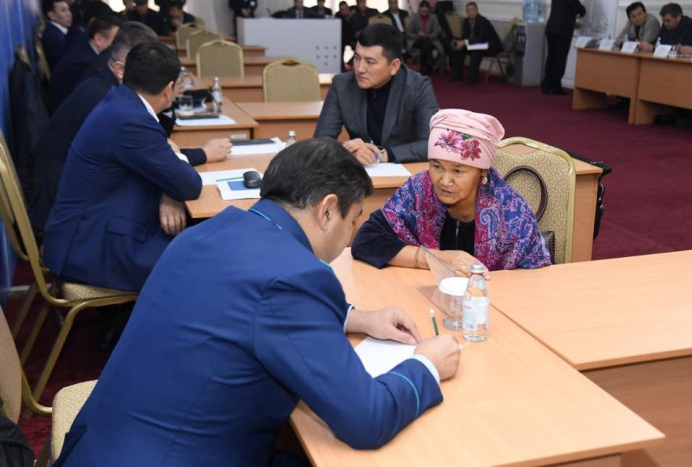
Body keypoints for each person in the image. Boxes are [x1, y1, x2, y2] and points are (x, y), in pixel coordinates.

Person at [53, 138, 461, 466]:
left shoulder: (207, 232)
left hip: (100, 445)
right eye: (354, 220)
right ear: (327, 210)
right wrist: (425, 365)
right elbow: (365, 419)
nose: (351, 235)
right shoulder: (296, 276)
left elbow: (242, 304)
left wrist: (355, 319)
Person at [29, 23, 230, 233]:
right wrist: (175, 169)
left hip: (92, 205)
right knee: (202, 232)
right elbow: (187, 184)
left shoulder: (118, 96)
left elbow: (153, 153)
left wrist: (171, 177)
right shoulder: (128, 116)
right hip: (90, 228)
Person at [43, 42, 202, 292]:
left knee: (195, 239)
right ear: (169, 88)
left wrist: (169, 189)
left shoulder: (119, 100)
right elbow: (189, 185)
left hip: (90, 226)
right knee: (203, 259)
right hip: (90, 246)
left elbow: (166, 174)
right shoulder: (133, 120)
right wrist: (176, 155)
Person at [352, 109, 551, 274]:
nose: (445, 181)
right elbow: (366, 240)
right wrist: (436, 259)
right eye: (437, 167)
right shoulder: (419, 190)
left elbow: (536, 278)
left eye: (458, 171)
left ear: (482, 171)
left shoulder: (511, 213)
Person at [315, 24, 439, 164]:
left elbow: (432, 143)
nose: (360, 69)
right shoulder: (342, 85)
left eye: (370, 62)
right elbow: (321, 140)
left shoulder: (418, 86)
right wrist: (349, 150)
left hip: (405, 169)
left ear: (394, 66)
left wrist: (383, 155)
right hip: (359, 170)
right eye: (357, 58)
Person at [49, 13, 122, 110]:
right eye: (116, 41)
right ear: (98, 39)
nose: (120, 46)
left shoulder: (82, 46)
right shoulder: (85, 64)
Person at [542, 0, 585, 95]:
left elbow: (561, 7)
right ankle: (556, 86)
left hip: (551, 26)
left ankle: (547, 84)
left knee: (551, 57)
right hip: (563, 29)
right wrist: (582, 11)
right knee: (560, 58)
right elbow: (572, 1)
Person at [449, 2, 502, 85]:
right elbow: (465, 36)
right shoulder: (466, 21)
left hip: (490, 46)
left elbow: (480, 39)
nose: (471, 12)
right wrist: (460, 42)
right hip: (475, 44)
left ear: (477, 11)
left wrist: (465, 42)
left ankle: (472, 78)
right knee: (459, 49)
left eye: (473, 10)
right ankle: (457, 75)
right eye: (468, 11)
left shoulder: (483, 21)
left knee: (476, 52)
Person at [407, 1, 445, 75]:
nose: (424, 10)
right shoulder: (415, 18)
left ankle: (424, 67)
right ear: (419, 9)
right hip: (418, 40)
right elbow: (408, 33)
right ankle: (430, 62)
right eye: (422, 8)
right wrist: (418, 35)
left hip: (431, 40)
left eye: (426, 8)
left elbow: (436, 32)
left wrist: (426, 36)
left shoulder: (433, 17)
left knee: (426, 42)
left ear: (428, 9)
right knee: (425, 42)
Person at [41, 0, 72, 69]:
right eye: (63, 10)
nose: (69, 14)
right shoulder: (54, 38)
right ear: (52, 15)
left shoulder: (56, 32)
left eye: (68, 10)